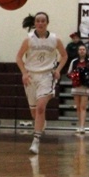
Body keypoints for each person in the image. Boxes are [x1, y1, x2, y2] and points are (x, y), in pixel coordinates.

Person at [16, 12, 68, 155]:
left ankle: (36, 141)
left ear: (47, 22)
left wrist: (58, 70)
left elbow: (64, 56)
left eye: (43, 20)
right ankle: (40, 124)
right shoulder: (29, 39)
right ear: (34, 23)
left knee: (40, 108)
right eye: (38, 21)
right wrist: (24, 73)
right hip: (31, 76)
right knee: (34, 112)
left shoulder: (55, 39)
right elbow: (19, 58)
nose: (40, 23)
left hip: (47, 75)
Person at [67, 44, 89, 134]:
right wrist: (74, 76)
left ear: (86, 51)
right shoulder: (74, 62)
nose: (82, 51)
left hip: (85, 87)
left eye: (83, 49)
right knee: (78, 107)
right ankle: (79, 125)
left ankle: (82, 127)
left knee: (83, 107)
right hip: (76, 86)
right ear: (78, 51)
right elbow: (68, 73)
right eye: (80, 49)